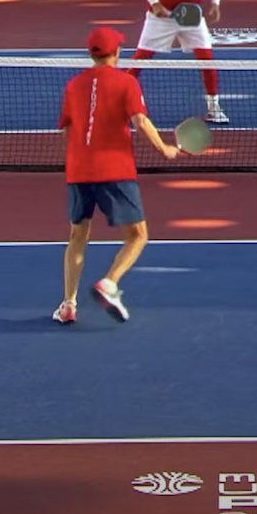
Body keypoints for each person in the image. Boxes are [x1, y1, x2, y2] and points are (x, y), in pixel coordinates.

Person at [55, 27, 182, 324]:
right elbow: (139, 120)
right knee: (138, 236)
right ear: (117, 53)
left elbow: (66, 130)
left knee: (77, 236)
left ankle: (68, 304)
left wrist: (80, 157)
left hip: (78, 172)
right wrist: (164, 148)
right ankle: (109, 283)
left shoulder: (73, 86)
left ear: (91, 53)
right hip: (115, 170)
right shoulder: (127, 83)